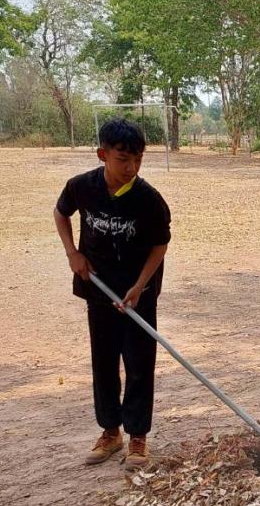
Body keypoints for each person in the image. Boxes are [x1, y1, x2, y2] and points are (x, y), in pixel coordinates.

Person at [54, 118, 172, 468]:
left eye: (138, 159)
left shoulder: (148, 199)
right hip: (99, 288)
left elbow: (160, 245)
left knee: (138, 363)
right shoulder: (82, 187)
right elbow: (61, 214)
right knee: (103, 362)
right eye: (123, 159)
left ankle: (137, 437)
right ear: (102, 154)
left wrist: (139, 285)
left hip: (138, 292)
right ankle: (110, 432)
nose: (131, 167)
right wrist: (72, 252)